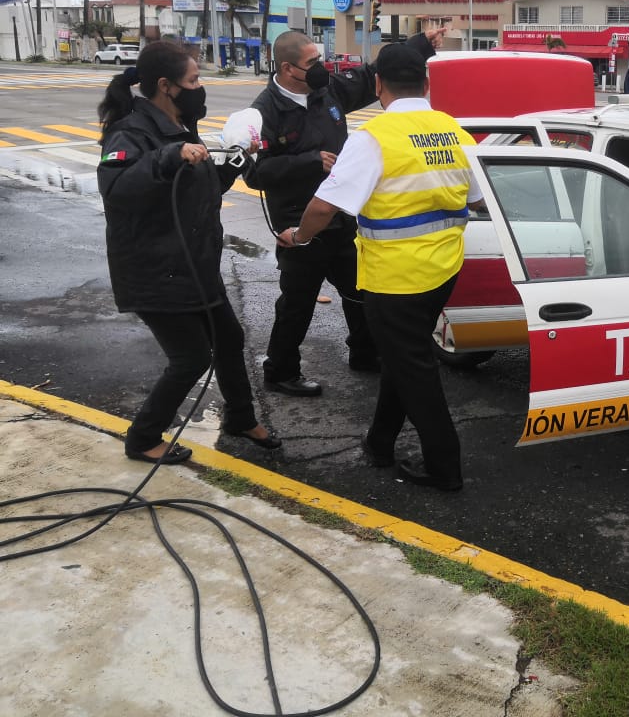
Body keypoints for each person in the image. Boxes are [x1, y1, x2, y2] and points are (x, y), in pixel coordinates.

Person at [275, 44, 484, 491]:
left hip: (396, 279)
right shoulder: (455, 131)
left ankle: (444, 467)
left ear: (378, 85)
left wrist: (299, 238)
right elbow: (477, 199)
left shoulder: (375, 137)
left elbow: (323, 206)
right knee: (402, 358)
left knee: (413, 366)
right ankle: (380, 443)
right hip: (443, 269)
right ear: (426, 85)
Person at [97, 40, 281, 464]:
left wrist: (235, 162)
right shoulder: (131, 132)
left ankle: (240, 418)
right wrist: (167, 157)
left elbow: (202, 188)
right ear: (166, 85)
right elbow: (117, 189)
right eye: (194, 80)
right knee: (191, 357)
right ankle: (143, 438)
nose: (201, 87)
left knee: (229, 339)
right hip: (154, 269)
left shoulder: (179, 125)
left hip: (193, 266)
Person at [246, 31, 380, 397]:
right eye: (312, 63)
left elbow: (369, 79)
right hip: (298, 222)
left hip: (340, 215)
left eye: (320, 59)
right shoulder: (263, 112)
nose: (320, 69)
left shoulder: (326, 91)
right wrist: (309, 162)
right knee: (297, 302)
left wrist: (421, 44)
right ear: (288, 68)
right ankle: (281, 371)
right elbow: (254, 173)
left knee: (359, 291)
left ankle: (365, 354)